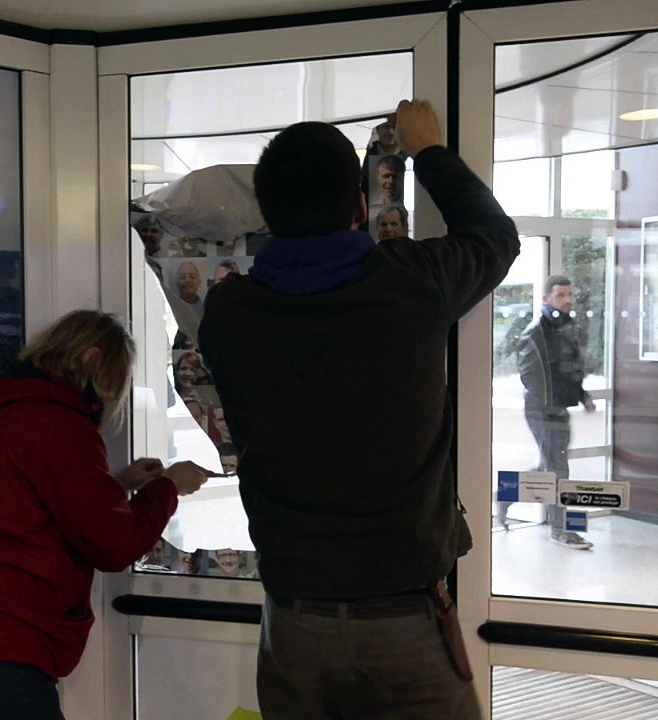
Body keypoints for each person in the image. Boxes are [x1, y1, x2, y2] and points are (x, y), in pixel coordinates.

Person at [198, 99, 518, 719]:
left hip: (295, 626)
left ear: (269, 214)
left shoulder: (230, 316)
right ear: (360, 208)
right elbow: (494, 237)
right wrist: (428, 151)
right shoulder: (410, 283)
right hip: (405, 621)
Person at [0, 310, 209, 719]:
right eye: (114, 378)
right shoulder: (59, 424)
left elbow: (30, 504)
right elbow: (115, 546)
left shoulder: (1, 409)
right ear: (91, 359)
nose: (112, 394)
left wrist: (119, 483)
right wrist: (169, 487)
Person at [506, 275, 597, 550]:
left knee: (551, 466)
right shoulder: (537, 331)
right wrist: (550, 405)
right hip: (543, 410)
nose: (567, 300)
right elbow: (529, 374)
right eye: (560, 295)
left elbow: (569, 369)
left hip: (557, 408)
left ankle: (507, 493)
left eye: (570, 295)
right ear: (546, 299)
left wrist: (582, 396)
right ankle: (561, 529)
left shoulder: (566, 327)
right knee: (558, 469)